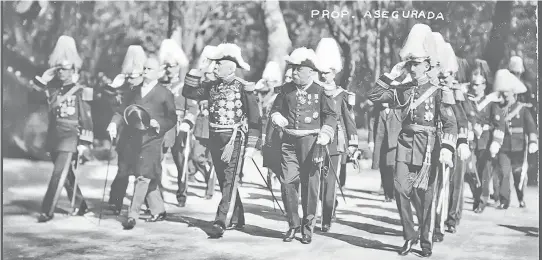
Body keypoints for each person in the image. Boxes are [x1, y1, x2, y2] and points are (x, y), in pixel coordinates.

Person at [368, 24, 457, 257]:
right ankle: (409, 236)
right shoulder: (404, 89)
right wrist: (393, 73)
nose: (412, 67)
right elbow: (373, 96)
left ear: (427, 64)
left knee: (426, 198)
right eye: (409, 63)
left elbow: (450, 122)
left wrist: (447, 147)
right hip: (405, 144)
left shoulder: (438, 90)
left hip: (429, 147)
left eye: (415, 63)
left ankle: (426, 241)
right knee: (400, 190)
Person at [183, 43, 261, 238]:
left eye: (219, 65)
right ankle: (238, 218)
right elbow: (189, 93)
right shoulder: (211, 86)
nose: (215, 68)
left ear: (231, 68)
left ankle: (220, 221)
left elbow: (255, 119)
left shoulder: (244, 88)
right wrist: (197, 70)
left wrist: (251, 145)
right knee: (226, 180)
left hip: (234, 141)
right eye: (214, 65)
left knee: (229, 180)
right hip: (215, 138)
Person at [268, 47, 337, 244]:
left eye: (299, 69)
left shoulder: (321, 91)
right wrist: (277, 116)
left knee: (310, 186)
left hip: (312, 143)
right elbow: (276, 109)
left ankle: (308, 228)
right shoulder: (286, 89)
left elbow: (331, 116)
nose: (294, 72)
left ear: (310, 71)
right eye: (293, 68)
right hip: (288, 141)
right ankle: (292, 224)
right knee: (287, 182)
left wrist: (325, 133)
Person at [107, 57, 177, 229]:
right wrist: (113, 124)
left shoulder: (164, 93)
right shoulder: (133, 90)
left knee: (143, 176)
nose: (145, 72)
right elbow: (122, 110)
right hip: (134, 138)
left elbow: (172, 118)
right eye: (144, 68)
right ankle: (158, 209)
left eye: (150, 69)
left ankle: (133, 215)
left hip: (153, 139)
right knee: (147, 174)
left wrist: (159, 124)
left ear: (158, 73)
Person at [34, 35, 94, 223]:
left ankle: (47, 210)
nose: (62, 73)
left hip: (70, 137)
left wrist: (84, 142)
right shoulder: (52, 89)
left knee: (58, 173)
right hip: (54, 136)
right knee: (66, 173)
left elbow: (86, 118)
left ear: (73, 70)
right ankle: (81, 205)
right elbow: (35, 99)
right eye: (59, 69)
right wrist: (43, 80)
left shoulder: (79, 91)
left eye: (65, 70)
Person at [314, 38, 357, 232]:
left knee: (330, 179)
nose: (324, 76)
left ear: (335, 71)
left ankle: (327, 216)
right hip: (315, 139)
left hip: (335, 142)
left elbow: (349, 121)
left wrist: (353, 145)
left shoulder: (341, 93)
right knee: (316, 178)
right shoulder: (313, 91)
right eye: (322, 72)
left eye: (328, 72)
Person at [430, 38, 470, 243]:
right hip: (431, 142)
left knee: (450, 185)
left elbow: (462, 118)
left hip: (451, 143)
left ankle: (447, 221)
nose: (444, 78)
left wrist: (462, 141)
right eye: (442, 74)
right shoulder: (430, 89)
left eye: (448, 75)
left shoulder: (456, 92)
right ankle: (433, 222)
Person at [105, 45, 147, 215]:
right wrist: (114, 123)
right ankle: (115, 201)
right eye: (129, 77)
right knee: (122, 170)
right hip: (128, 137)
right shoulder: (127, 90)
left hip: (145, 137)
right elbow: (120, 110)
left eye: (133, 77)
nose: (130, 81)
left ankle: (146, 203)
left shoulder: (148, 89)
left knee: (142, 172)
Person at [158, 39, 198, 207]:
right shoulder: (159, 85)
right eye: (167, 66)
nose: (170, 69)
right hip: (162, 127)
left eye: (173, 66)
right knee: (158, 160)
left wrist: (188, 123)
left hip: (179, 127)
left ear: (178, 66)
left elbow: (193, 108)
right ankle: (157, 194)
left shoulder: (185, 86)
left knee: (180, 161)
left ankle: (182, 194)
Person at [492, 69, 538, 209]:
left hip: (519, 146)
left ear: (514, 92)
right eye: (503, 91)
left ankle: (521, 197)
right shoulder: (497, 107)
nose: (505, 94)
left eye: (508, 91)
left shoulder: (522, 109)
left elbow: (531, 127)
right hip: (503, 145)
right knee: (504, 173)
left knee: (518, 175)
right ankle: (504, 201)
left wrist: (533, 141)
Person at [465, 59, 505, 214]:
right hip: (469, 140)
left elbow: (499, 124)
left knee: (484, 172)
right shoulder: (466, 100)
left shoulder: (491, 102)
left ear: (484, 85)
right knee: (469, 172)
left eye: (478, 84)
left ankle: (482, 200)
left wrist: (496, 142)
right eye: (473, 84)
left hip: (485, 140)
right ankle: (477, 196)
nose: (475, 87)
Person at [192, 45, 220, 200]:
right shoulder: (202, 84)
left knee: (213, 160)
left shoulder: (219, 85)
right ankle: (207, 176)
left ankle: (209, 191)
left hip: (214, 126)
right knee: (196, 158)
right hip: (201, 125)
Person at [255, 61, 283, 190]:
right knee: (265, 152)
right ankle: (270, 174)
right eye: (268, 80)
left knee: (274, 151)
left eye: (273, 80)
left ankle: (274, 175)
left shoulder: (279, 94)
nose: (270, 83)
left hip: (275, 126)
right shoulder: (262, 92)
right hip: (264, 124)